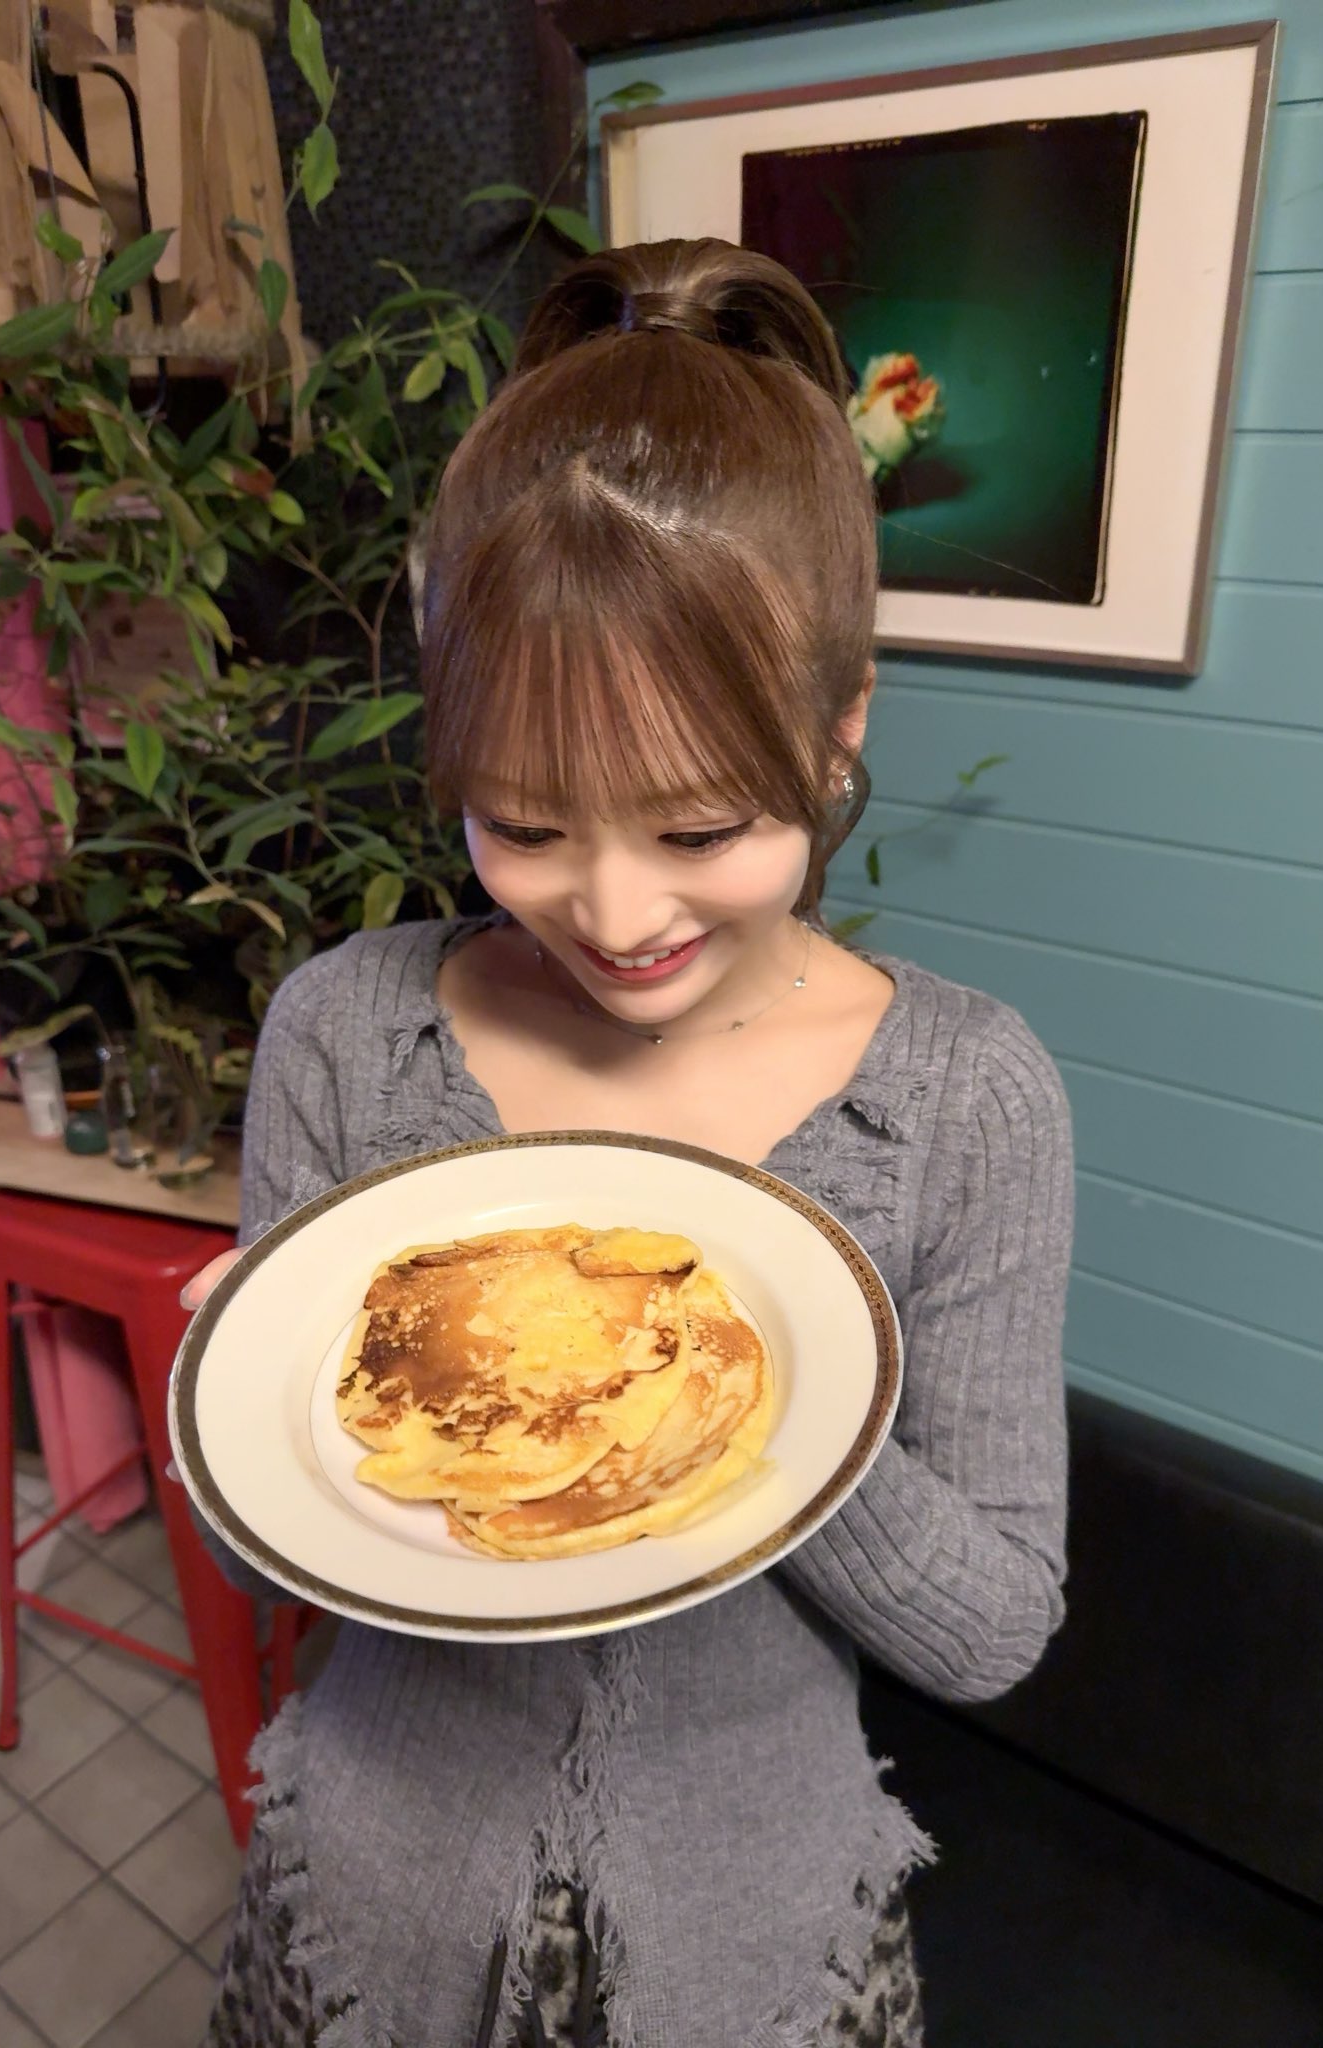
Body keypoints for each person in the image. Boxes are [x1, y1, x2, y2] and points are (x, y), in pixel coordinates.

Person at [189, 237, 1074, 2048]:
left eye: (700, 828)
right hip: (365, 1888)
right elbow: (273, 1560)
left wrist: (752, 1398)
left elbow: (993, 1630)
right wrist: (246, 1409)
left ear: (839, 731)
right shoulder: (347, 1030)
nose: (612, 913)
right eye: (521, 823)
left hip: (765, 1933)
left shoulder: (967, 1098)